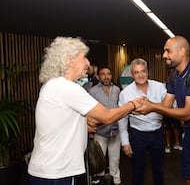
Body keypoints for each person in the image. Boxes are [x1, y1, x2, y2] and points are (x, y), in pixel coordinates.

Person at [27, 37, 143, 185]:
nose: (88, 63)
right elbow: (107, 117)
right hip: (58, 173)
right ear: (70, 60)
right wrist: (133, 104)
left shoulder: (54, 85)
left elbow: (63, 119)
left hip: (48, 170)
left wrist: (83, 125)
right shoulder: (67, 87)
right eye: (84, 58)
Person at [136, 36, 190, 185]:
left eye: (168, 51)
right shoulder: (174, 75)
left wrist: (152, 107)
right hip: (189, 135)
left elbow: (187, 113)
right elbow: (166, 105)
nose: (164, 55)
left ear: (182, 51)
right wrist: (148, 103)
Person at [118, 58, 167, 185]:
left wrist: (153, 105)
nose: (140, 75)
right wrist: (125, 142)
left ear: (148, 72)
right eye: (136, 72)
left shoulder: (160, 87)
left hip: (158, 133)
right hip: (137, 135)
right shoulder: (125, 93)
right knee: (137, 170)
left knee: (159, 169)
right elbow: (122, 120)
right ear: (132, 74)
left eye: (143, 71)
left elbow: (170, 107)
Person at [88, 66, 122, 185]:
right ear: (98, 76)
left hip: (115, 131)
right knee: (99, 162)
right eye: (103, 74)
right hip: (100, 132)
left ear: (111, 76)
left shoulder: (117, 90)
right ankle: (100, 182)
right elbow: (89, 111)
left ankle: (116, 182)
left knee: (115, 161)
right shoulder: (93, 91)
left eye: (108, 74)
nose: (106, 76)